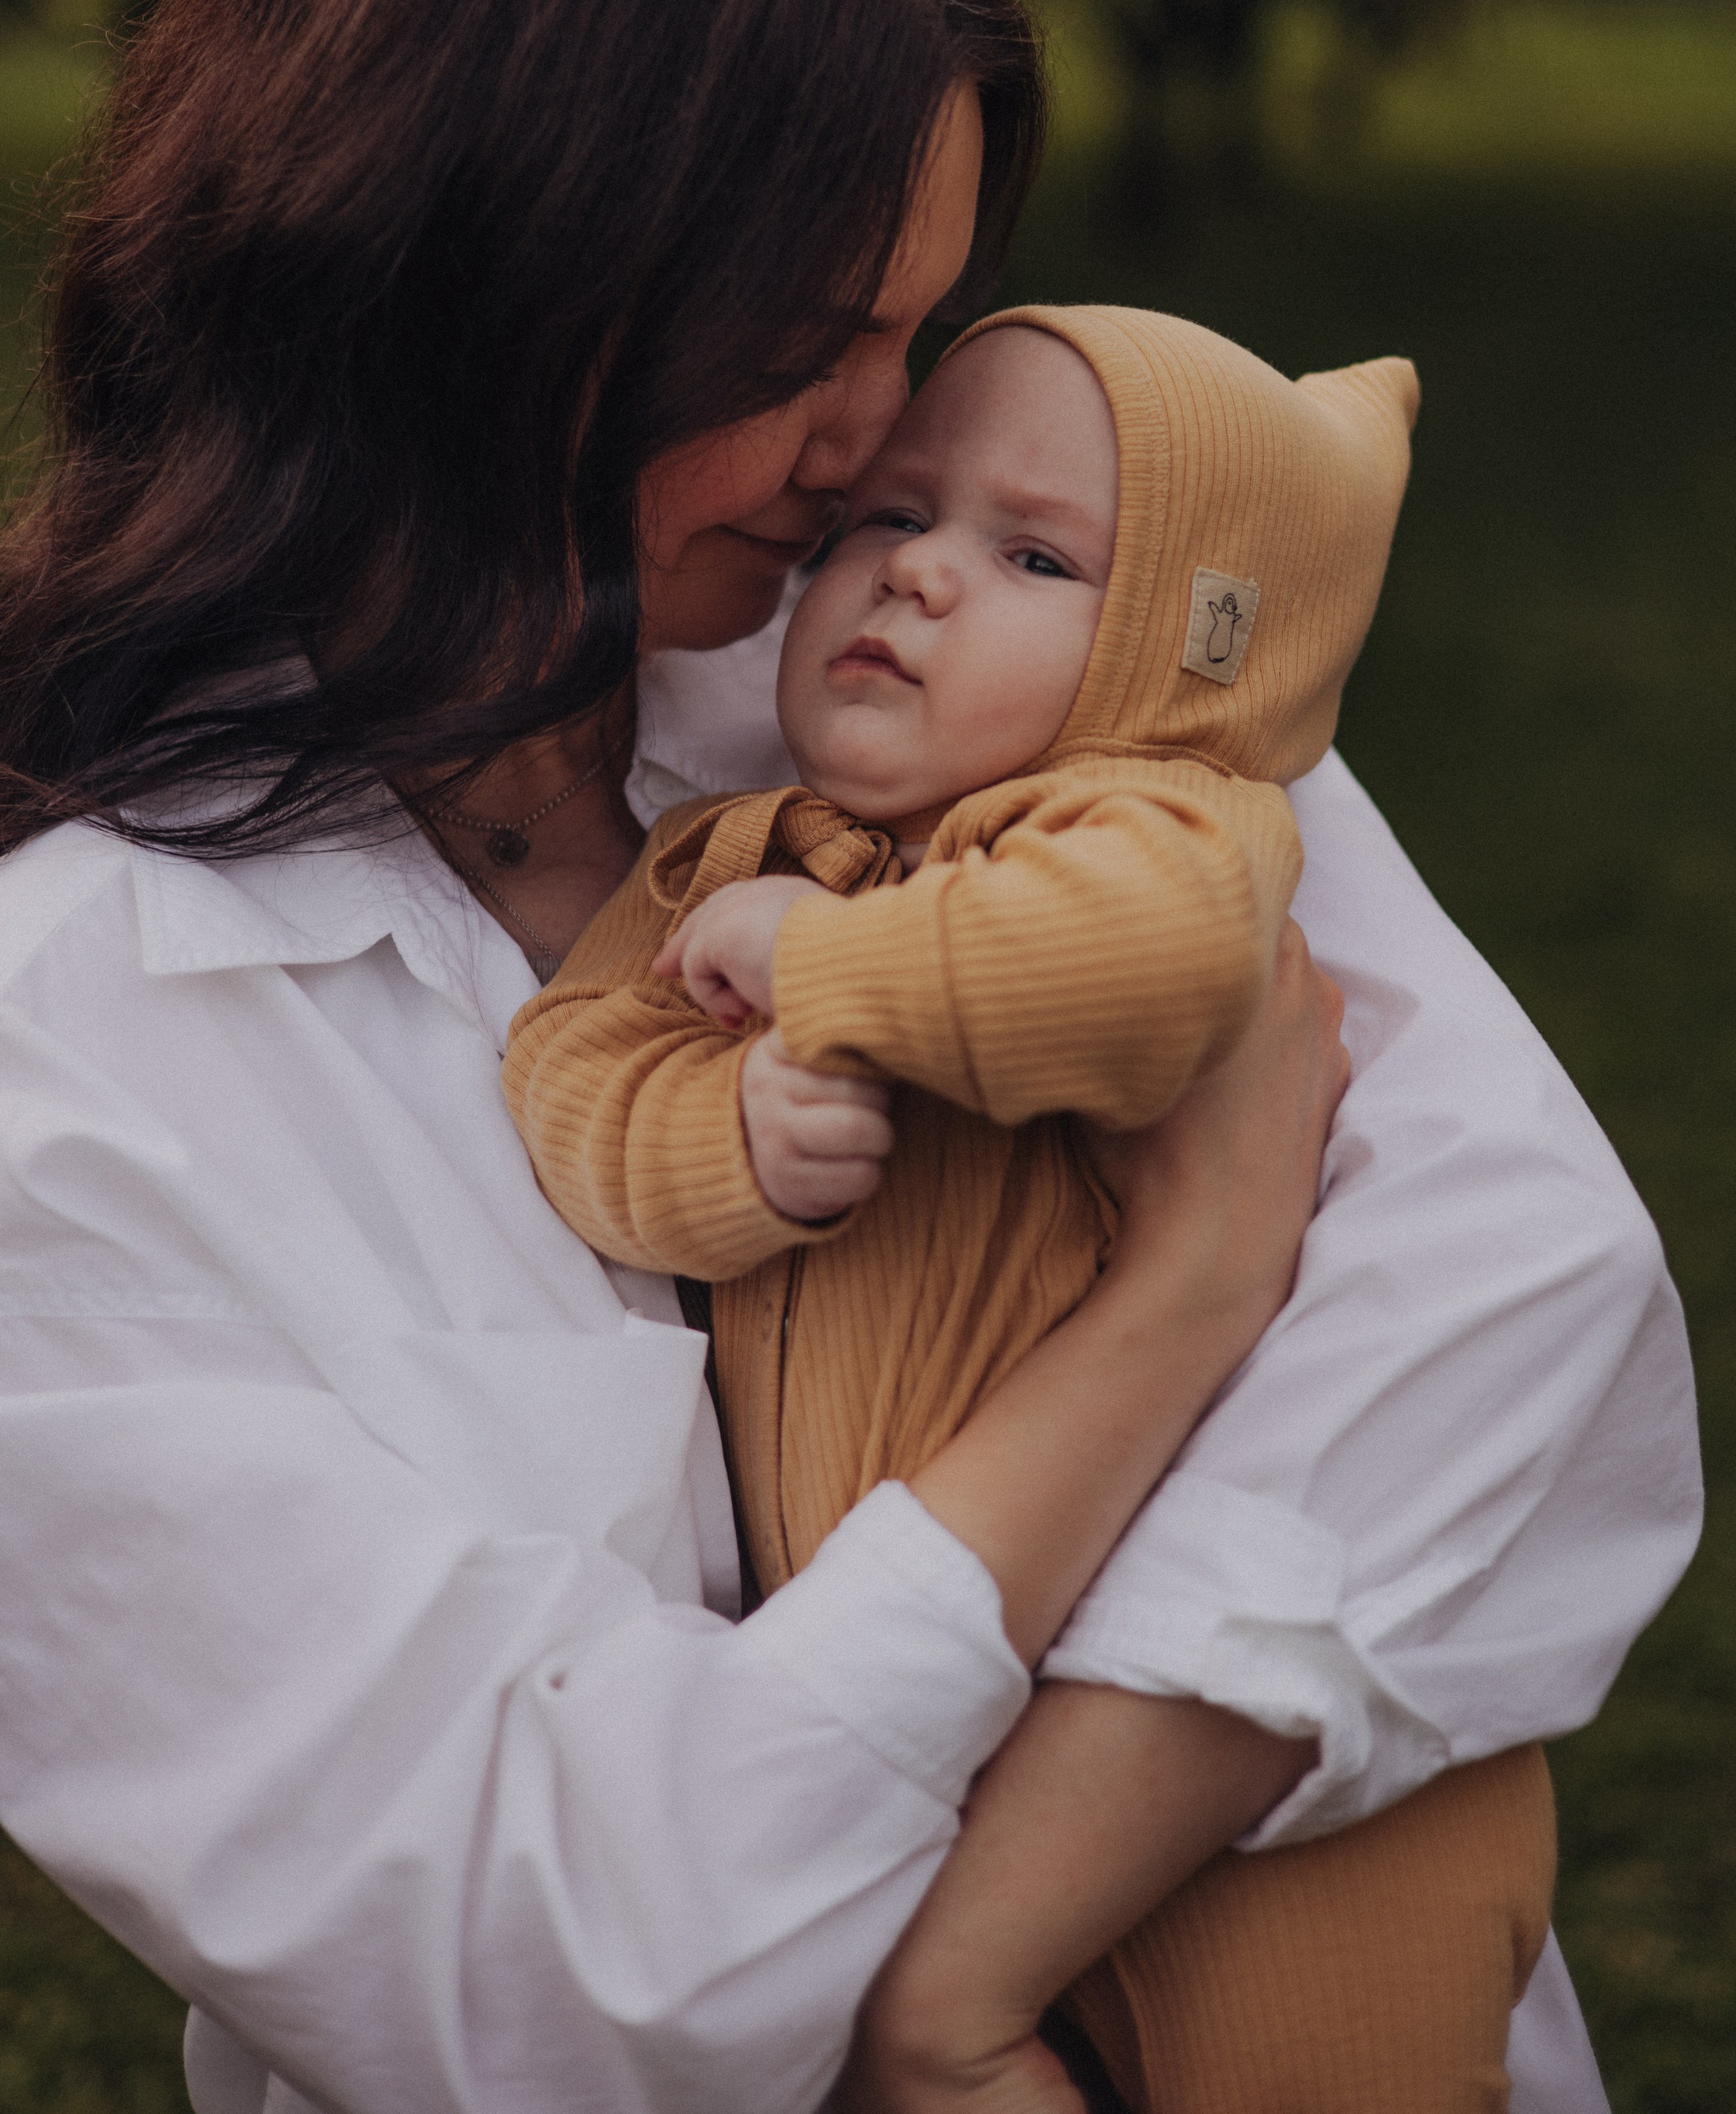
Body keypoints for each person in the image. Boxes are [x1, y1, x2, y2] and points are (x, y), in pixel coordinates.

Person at [0, 0, 1698, 2114]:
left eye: (910, 336)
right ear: (495, 281)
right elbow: (589, 1975)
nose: (877, 453)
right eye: (809, 347)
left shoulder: (951, 663)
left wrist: (970, 1947)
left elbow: (1532, 1311)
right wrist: (1193, 1302)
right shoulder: (74, 1084)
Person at [504, 299, 1558, 2113]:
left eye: (1031, 553)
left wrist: (833, 971)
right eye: (881, 521)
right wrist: (733, 1134)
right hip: (940, 1702)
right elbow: (574, 1072)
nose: (913, 576)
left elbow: (1130, 979)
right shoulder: (729, 861)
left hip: (1228, 1751)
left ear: (1182, 653)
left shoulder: (1152, 828)